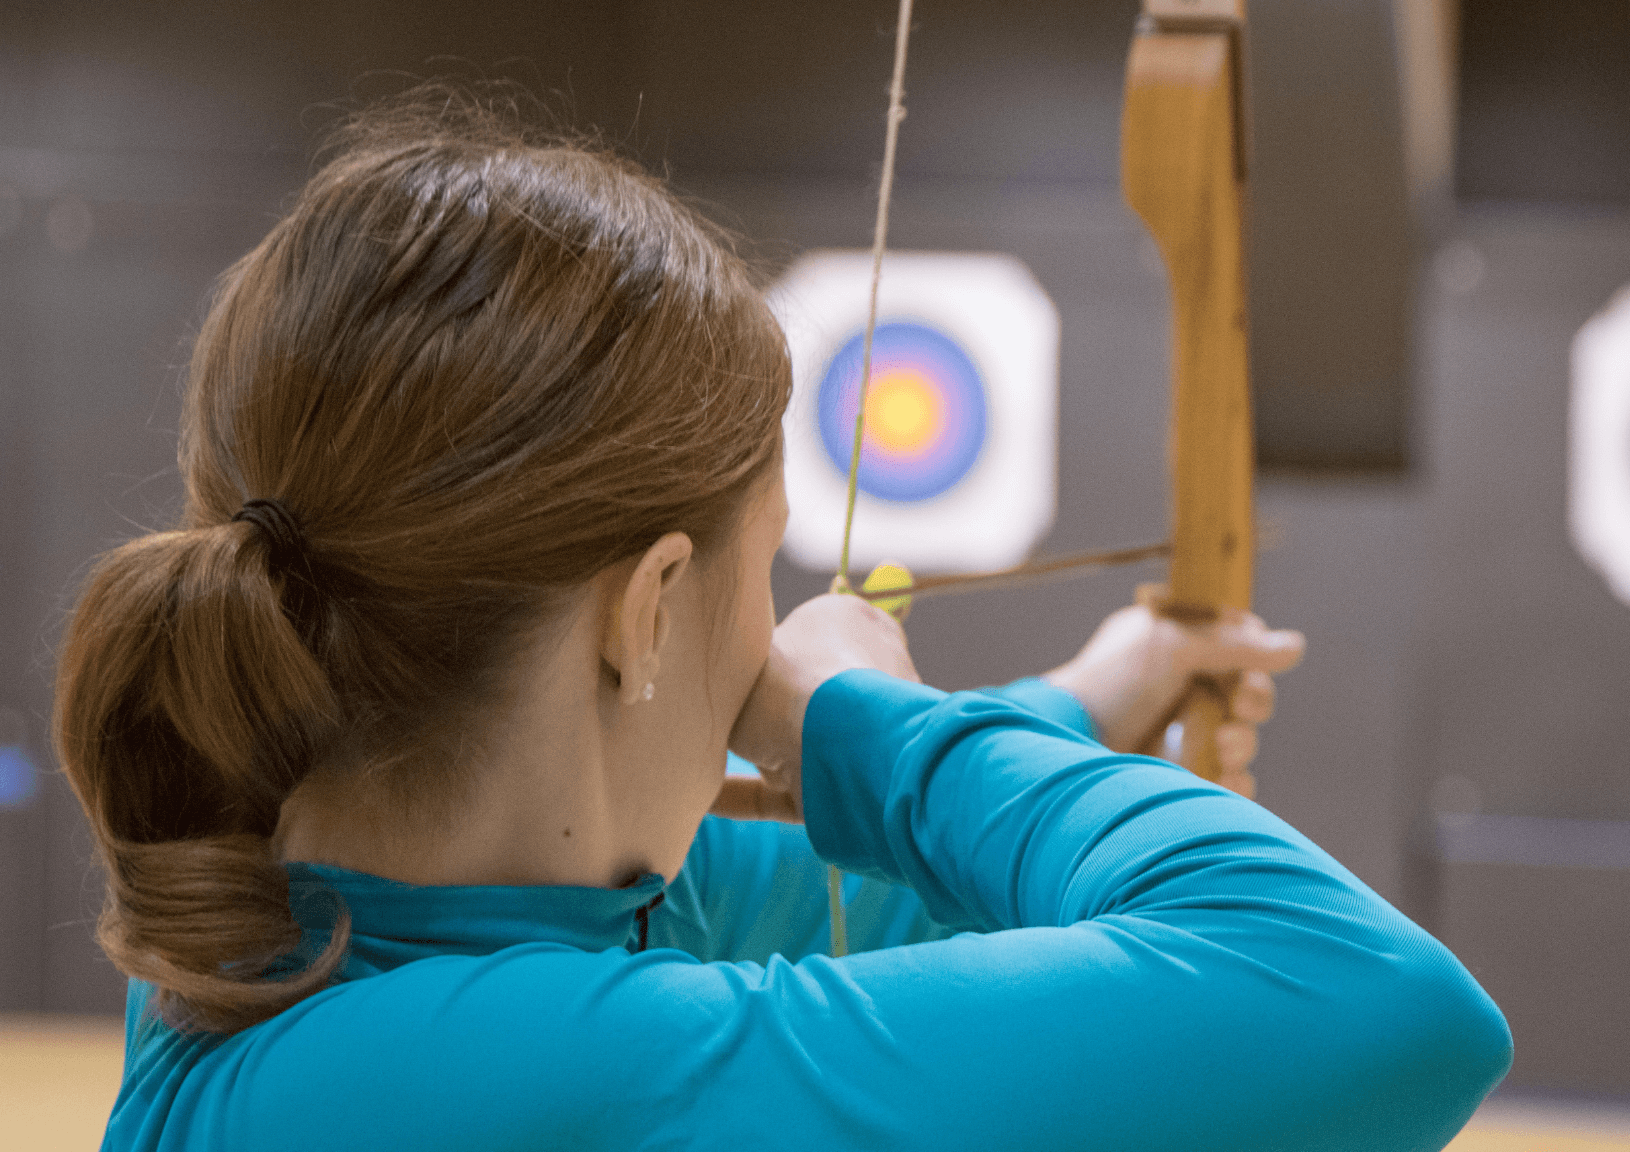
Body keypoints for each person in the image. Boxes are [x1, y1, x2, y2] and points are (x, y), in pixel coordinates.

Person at [53, 88, 1511, 1151]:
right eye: (765, 572)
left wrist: (1093, 693)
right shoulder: (544, 1077)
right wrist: (862, 719)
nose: (782, 624)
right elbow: (1375, 1001)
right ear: (647, 612)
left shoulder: (295, 920)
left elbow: (826, 888)